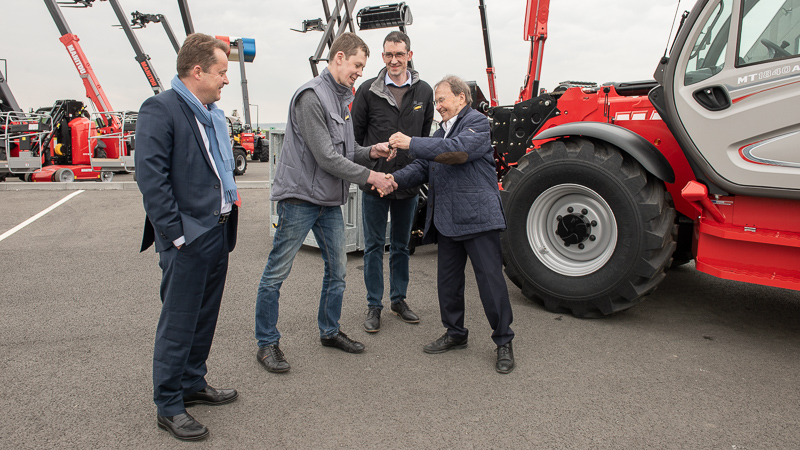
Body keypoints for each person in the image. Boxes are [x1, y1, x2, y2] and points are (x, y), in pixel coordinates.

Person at [255, 32, 396, 373]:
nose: (360, 72)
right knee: (276, 273)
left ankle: (329, 331)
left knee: (338, 270)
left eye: (362, 67)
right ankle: (266, 343)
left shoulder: (341, 99)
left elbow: (346, 153)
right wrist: (372, 177)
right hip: (301, 199)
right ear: (338, 58)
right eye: (357, 65)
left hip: (328, 200)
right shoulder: (312, 97)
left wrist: (371, 152)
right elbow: (326, 158)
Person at [135, 33, 240, 441]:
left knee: (205, 315)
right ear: (197, 71)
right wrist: (176, 236)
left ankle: (193, 382)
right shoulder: (160, 109)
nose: (225, 80)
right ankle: (168, 404)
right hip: (188, 239)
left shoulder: (209, 112)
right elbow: (152, 179)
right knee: (179, 321)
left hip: (217, 232)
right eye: (221, 72)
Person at [388, 75, 516, 374]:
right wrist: (392, 180)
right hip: (447, 221)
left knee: (490, 284)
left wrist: (411, 142)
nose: (439, 105)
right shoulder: (437, 133)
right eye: (436, 100)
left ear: (462, 97)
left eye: (443, 98)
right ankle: (455, 333)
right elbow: (421, 167)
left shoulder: (478, 123)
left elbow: (458, 152)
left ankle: (503, 341)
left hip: (478, 220)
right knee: (448, 284)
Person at [351, 31, 434, 333]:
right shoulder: (366, 91)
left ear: (409, 55)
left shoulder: (424, 91)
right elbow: (355, 140)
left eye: (399, 54)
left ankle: (399, 300)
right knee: (373, 246)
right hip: (375, 181)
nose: (394, 60)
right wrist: (372, 165)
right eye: (388, 55)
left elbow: (424, 140)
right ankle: (375, 305)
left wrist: (414, 170)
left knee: (401, 246)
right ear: (382, 56)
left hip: (407, 184)